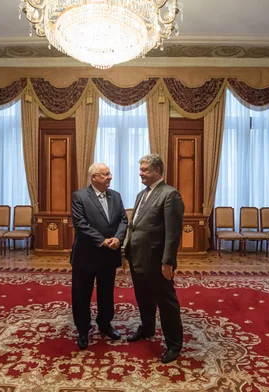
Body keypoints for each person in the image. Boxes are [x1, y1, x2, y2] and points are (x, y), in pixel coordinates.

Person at [124, 154, 184, 364]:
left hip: (158, 261)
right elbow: (136, 225)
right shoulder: (142, 194)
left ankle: (174, 344)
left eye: (145, 170)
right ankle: (147, 327)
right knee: (143, 296)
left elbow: (173, 233)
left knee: (166, 302)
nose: (140, 173)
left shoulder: (170, 195)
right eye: (140, 169)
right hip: (137, 257)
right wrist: (126, 248)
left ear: (158, 170)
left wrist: (167, 261)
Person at [70, 163, 128, 350]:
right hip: (86, 255)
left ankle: (105, 324)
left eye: (110, 174)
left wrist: (118, 238)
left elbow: (123, 220)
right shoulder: (79, 196)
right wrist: (103, 240)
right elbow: (80, 224)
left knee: (106, 293)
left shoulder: (116, 196)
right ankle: (83, 330)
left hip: (109, 255)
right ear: (94, 177)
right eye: (105, 174)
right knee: (81, 294)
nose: (110, 177)